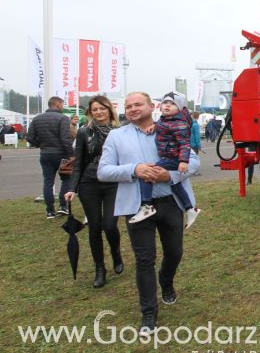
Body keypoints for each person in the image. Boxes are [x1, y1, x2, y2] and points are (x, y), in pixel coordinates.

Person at [98, 92, 201, 335]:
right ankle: (148, 312)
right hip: (137, 206)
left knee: (174, 252)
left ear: (151, 106)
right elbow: (103, 171)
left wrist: (171, 175)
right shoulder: (116, 136)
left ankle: (166, 281)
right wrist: (134, 169)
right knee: (144, 260)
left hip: (170, 202)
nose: (132, 109)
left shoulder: (169, 126)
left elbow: (194, 162)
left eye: (137, 104)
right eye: (128, 106)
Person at [64, 96, 123, 288]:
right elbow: (79, 162)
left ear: (109, 110)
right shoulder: (83, 132)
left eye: (102, 108)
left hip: (113, 183)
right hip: (89, 183)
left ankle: (116, 252)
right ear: (90, 112)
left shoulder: (120, 131)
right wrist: (72, 188)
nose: (99, 112)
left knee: (109, 225)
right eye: (95, 109)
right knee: (95, 226)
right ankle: (100, 268)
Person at [129, 92, 201, 228]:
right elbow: (164, 126)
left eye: (172, 103)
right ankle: (190, 209)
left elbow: (185, 144)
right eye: (165, 103)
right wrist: (155, 126)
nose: (167, 105)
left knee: (147, 173)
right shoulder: (164, 120)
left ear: (179, 108)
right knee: (175, 184)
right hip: (169, 157)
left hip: (172, 158)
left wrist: (184, 161)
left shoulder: (180, 124)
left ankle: (147, 205)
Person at [26, 96, 74, 219]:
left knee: (48, 181)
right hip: (62, 154)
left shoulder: (37, 119)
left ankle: (50, 211)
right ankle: (63, 206)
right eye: (62, 105)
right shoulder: (63, 118)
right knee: (66, 179)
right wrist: (71, 155)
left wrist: (40, 144)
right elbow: (65, 139)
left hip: (46, 154)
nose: (63, 107)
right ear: (58, 105)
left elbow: (29, 138)